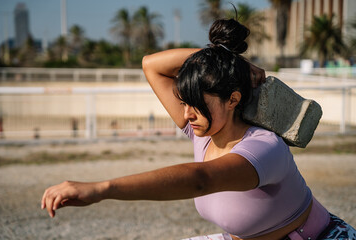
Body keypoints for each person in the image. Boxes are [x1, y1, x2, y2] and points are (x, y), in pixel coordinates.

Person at [41, 17, 356, 240]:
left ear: (233, 99)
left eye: (196, 104)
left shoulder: (264, 147)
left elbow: (200, 180)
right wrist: (231, 63)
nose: (186, 114)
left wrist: (102, 189)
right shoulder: (203, 128)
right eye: (184, 102)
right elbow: (151, 64)